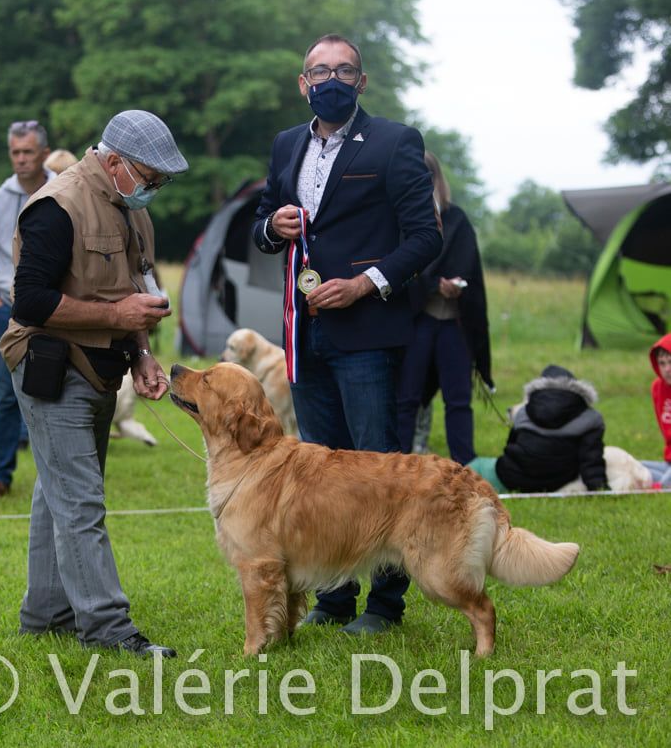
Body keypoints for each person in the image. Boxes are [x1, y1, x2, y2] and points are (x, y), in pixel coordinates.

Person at [252, 34, 442, 634]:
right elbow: (261, 226)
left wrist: (367, 284)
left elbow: (424, 237)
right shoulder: (286, 144)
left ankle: (386, 605)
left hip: (368, 333)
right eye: (318, 71)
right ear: (302, 82)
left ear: (361, 82)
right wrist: (272, 226)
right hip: (304, 335)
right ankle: (334, 600)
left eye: (343, 70)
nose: (329, 79)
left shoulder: (394, 141)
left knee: (379, 470)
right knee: (319, 476)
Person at [0, 110, 188, 657]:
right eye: (150, 177)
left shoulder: (133, 210)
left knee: (55, 493)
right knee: (80, 501)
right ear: (112, 162)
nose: (155, 188)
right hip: (48, 363)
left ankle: (44, 616)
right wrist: (118, 319)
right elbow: (30, 301)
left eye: (161, 180)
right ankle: (108, 629)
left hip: (104, 365)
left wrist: (143, 356)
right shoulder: (56, 208)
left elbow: (133, 294)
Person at [0, 121, 54, 498]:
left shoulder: (63, 191)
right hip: (9, 311)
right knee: (6, 395)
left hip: (56, 308)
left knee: (57, 393)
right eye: (15, 152)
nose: (20, 159)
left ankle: (56, 478)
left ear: (44, 154)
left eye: (27, 152)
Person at [396, 151, 494, 464]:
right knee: (406, 399)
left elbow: (470, 270)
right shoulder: (400, 219)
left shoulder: (457, 219)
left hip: (454, 323)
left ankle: (465, 466)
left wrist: (455, 284)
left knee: (458, 400)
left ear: (435, 178)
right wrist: (431, 282)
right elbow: (399, 269)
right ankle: (395, 469)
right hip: (416, 321)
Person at [469, 365, 609, 493]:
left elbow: (511, 446)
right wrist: (599, 488)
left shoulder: (523, 411)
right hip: (559, 481)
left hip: (512, 478)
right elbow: (591, 460)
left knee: (474, 467)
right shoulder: (591, 419)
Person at [641, 333, 671, 487]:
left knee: (664, 483)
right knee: (635, 468)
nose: (667, 369)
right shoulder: (657, 388)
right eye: (662, 363)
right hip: (669, 463)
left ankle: (660, 487)